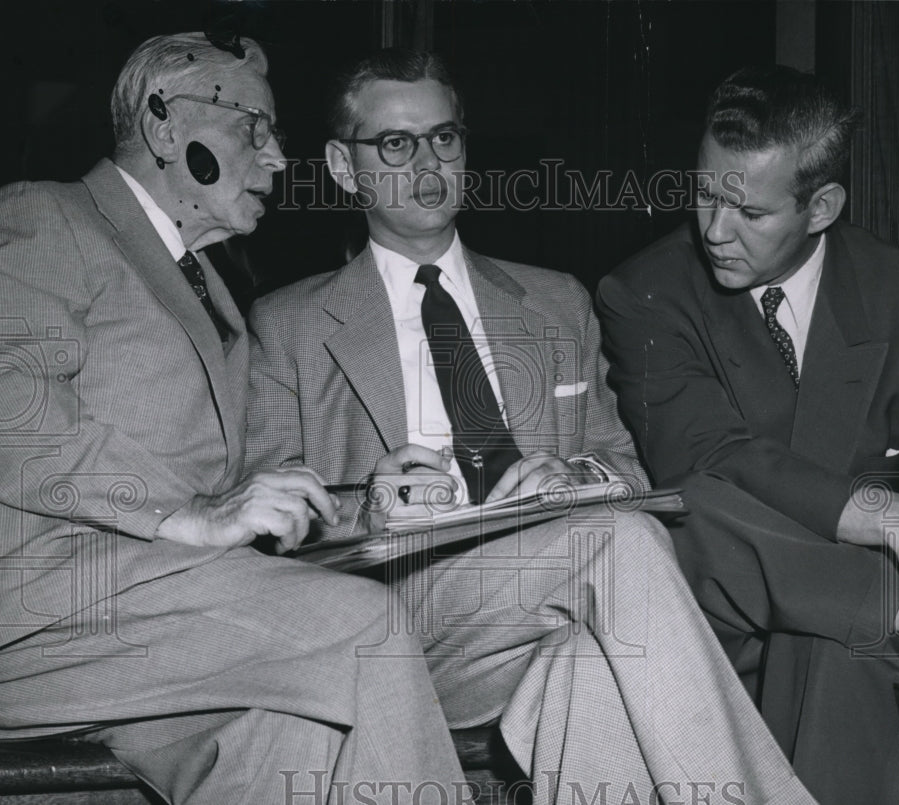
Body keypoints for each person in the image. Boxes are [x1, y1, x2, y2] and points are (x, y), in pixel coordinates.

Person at [246, 48, 818, 805]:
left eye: (444, 137)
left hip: (550, 613)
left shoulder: (555, 301)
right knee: (620, 544)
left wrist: (572, 480)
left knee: (593, 668)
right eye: (396, 143)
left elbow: (626, 468)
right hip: (394, 630)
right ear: (344, 168)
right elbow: (266, 537)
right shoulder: (286, 326)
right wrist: (366, 510)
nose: (428, 162)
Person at [0, 33, 466, 805]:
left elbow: (233, 489)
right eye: (254, 127)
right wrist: (183, 515)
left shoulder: (210, 290)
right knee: (362, 625)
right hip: (43, 619)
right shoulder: (49, 217)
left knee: (303, 730)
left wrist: (360, 502)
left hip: (157, 623)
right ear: (164, 126)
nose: (278, 158)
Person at [597, 64, 899, 804]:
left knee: (833, 647)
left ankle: (880, 609)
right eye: (705, 194)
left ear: (821, 208)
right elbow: (710, 461)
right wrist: (891, 520)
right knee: (690, 503)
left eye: (749, 212)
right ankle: (886, 602)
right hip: (732, 628)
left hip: (897, 647)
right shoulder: (646, 292)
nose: (714, 231)